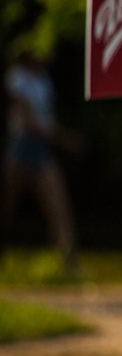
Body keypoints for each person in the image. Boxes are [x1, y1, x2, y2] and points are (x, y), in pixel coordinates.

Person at [3, 50, 79, 274]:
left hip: (41, 146)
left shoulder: (44, 78)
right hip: (22, 145)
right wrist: (64, 139)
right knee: (7, 204)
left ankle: (70, 265)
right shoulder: (17, 77)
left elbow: (43, 117)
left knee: (59, 205)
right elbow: (28, 120)